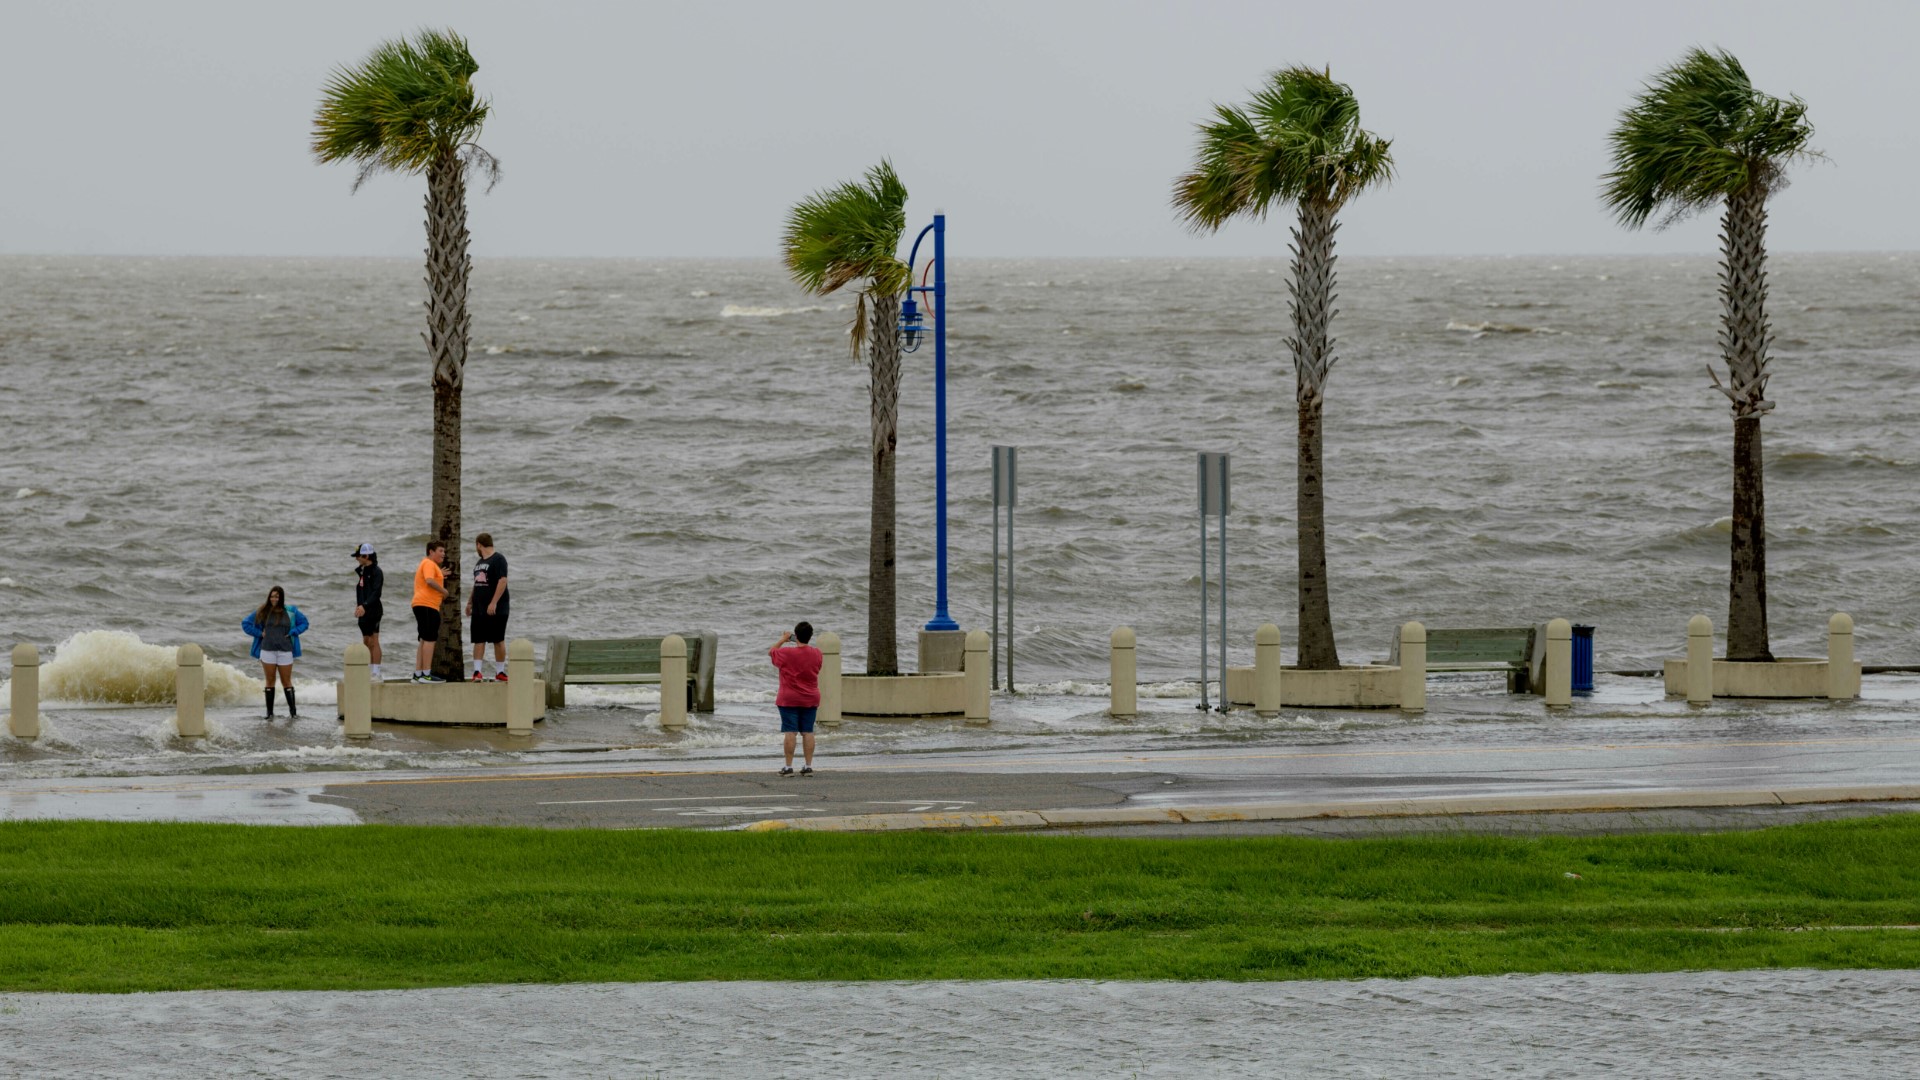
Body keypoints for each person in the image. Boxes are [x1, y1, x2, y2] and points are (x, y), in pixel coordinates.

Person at [242, 585, 308, 719]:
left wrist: (293, 632)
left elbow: (305, 623)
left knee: (286, 681)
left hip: (285, 650)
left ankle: (293, 714)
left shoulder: (291, 611)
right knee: (270, 680)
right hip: (267, 651)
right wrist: (260, 633)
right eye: (272, 596)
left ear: (281, 597)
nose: (274, 599)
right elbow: (245, 623)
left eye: (277, 596)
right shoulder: (263, 611)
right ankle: (270, 714)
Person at [769, 621, 822, 776]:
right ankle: (808, 766)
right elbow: (817, 669)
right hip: (811, 697)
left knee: (790, 732)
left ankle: (788, 767)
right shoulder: (817, 653)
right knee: (808, 731)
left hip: (789, 698)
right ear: (810, 637)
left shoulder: (786, 653)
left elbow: (771, 652)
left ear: (795, 636)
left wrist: (783, 639)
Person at [466, 532, 510, 682]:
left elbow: (503, 581)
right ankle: (477, 672)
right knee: (479, 639)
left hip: (497, 607)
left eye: (476, 546)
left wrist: (494, 602)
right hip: (479, 607)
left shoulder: (499, 559)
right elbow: (477, 583)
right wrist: (470, 602)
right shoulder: (479, 562)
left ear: (479, 544)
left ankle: (500, 672)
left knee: (498, 639)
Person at [412, 540, 449, 683]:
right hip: (427, 605)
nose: (443, 554)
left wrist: (439, 574)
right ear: (431, 552)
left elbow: (429, 577)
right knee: (429, 639)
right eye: (440, 551)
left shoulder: (429, 565)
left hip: (422, 604)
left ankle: (418, 674)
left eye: (444, 551)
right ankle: (426, 674)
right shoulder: (429, 563)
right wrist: (444, 591)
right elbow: (429, 580)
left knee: (423, 639)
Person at [352, 542, 384, 682]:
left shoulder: (377, 572)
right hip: (363, 611)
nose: (356, 559)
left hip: (373, 610)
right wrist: (359, 606)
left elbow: (376, 593)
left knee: (374, 640)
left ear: (366, 556)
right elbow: (361, 591)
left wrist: (364, 606)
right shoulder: (362, 571)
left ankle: (376, 672)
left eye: (358, 556)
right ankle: (368, 670)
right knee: (366, 641)